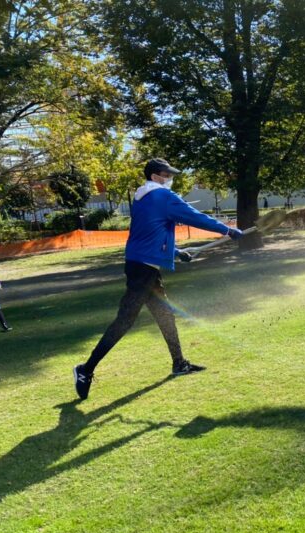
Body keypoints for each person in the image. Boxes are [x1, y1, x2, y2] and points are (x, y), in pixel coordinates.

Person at [72, 158, 243, 400]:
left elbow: (149, 233)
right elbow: (193, 215)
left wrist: (175, 252)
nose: (169, 177)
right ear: (154, 176)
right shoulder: (161, 196)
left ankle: (179, 363)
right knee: (124, 321)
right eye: (166, 174)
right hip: (143, 269)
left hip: (144, 265)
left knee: (165, 314)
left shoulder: (142, 199)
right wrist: (227, 229)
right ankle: (85, 370)